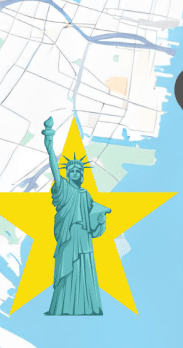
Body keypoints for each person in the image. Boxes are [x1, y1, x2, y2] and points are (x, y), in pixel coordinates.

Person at [43, 117, 111, 316]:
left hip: (84, 239)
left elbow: (93, 221)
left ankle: (86, 307)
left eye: (78, 170)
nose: (74, 172)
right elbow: (55, 171)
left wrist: (101, 221)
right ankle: (62, 307)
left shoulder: (86, 195)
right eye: (71, 170)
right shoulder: (63, 188)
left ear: (82, 174)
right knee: (66, 269)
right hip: (69, 237)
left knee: (84, 269)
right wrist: (50, 148)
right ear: (68, 173)